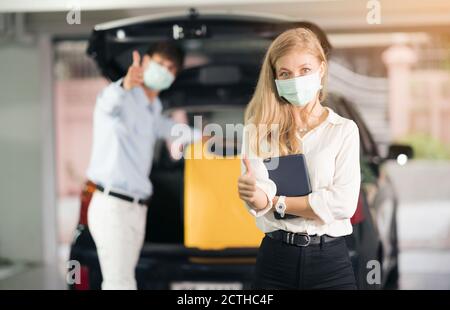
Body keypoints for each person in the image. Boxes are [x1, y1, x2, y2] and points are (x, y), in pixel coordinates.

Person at [237, 28, 361, 290]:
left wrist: (276, 202)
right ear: (275, 79)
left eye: (305, 70)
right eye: (285, 74)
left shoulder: (343, 130)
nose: (295, 80)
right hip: (276, 262)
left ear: (322, 69)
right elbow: (261, 197)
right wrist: (255, 196)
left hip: (330, 263)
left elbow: (343, 204)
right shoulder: (257, 131)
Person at [86, 41, 199, 290]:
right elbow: (106, 105)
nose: (165, 71)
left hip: (136, 209)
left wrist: (208, 137)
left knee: (125, 280)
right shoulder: (120, 98)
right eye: (159, 64)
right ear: (144, 62)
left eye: (170, 68)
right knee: (119, 282)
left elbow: (170, 129)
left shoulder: (153, 110)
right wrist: (125, 86)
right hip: (113, 205)